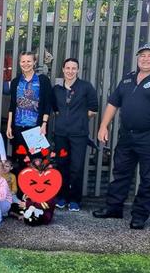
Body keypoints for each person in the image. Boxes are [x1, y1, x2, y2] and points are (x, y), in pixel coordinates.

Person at [93, 43, 150, 230]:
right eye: (142, 55)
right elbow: (113, 103)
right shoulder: (128, 79)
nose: (145, 59)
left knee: (149, 178)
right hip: (127, 136)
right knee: (120, 173)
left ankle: (139, 216)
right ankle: (114, 208)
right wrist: (103, 126)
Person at [51, 58, 99, 212]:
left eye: (74, 68)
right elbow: (55, 109)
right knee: (62, 164)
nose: (70, 71)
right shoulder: (57, 89)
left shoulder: (86, 87)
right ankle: (62, 197)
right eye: (67, 68)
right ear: (63, 70)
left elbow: (94, 109)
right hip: (60, 134)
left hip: (79, 134)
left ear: (78, 70)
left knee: (76, 167)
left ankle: (74, 200)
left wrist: (78, 119)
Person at [6, 51, 53, 173]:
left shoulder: (43, 80)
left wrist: (44, 124)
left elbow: (48, 103)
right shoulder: (16, 81)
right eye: (23, 61)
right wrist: (9, 126)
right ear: (19, 62)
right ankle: (22, 191)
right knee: (21, 161)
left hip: (36, 128)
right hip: (18, 126)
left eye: (29, 61)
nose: (26, 64)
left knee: (37, 161)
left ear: (34, 62)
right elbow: (12, 105)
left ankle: (35, 191)